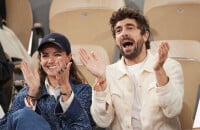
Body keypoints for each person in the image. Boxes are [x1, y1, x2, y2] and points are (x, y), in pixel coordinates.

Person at [79, 7, 184, 130]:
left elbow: (173, 110)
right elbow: (102, 121)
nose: (123, 33)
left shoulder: (170, 66)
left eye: (130, 27)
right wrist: (101, 79)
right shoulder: (108, 73)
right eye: (118, 30)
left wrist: (159, 70)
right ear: (116, 40)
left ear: (145, 35)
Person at [0, 33, 95, 130]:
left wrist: (66, 88)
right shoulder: (27, 92)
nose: (50, 60)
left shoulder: (83, 91)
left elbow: (84, 127)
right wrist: (32, 95)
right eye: (45, 56)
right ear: (40, 60)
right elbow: (5, 126)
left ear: (68, 57)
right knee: (24, 114)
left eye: (57, 55)